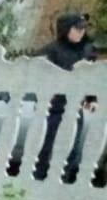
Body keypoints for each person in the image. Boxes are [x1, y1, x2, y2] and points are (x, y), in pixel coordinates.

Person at [34, 12, 97, 182]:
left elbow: (89, 77)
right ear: (66, 29)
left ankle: (63, 182)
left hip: (75, 108)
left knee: (71, 149)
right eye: (77, 29)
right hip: (54, 109)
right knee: (48, 149)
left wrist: (91, 100)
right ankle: (39, 180)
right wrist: (44, 94)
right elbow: (33, 73)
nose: (81, 32)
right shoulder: (51, 51)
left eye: (83, 29)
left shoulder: (86, 50)